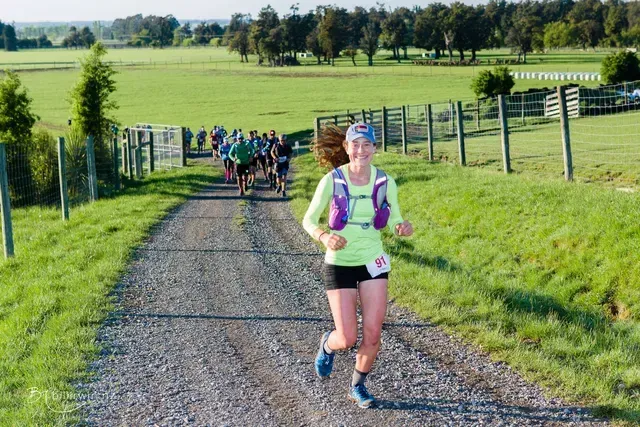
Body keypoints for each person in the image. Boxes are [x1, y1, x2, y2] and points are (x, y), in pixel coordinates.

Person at [302, 122, 413, 409]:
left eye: (367, 145)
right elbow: (308, 221)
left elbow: (394, 218)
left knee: (373, 333)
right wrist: (325, 236)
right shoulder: (332, 180)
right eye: (355, 144)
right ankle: (328, 343)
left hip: (372, 261)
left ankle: (357, 386)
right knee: (348, 337)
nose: (361, 150)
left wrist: (401, 227)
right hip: (339, 263)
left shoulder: (385, 182)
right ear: (346, 148)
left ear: (375, 148)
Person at [270, 133, 293, 198]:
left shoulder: (288, 146)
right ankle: (279, 185)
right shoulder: (276, 145)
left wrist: (289, 159)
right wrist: (274, 157)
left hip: (285, 163)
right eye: (281, 140)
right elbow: (271, 152)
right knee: (279, 177)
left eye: (284, 140)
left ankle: (283, 191)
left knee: (284, 176)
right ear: (279, 140)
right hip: (278, 163)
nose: (283, 142)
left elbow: (291, 153)